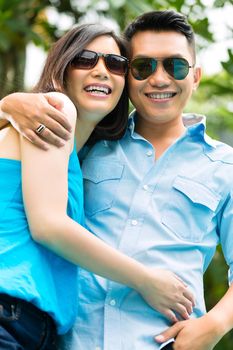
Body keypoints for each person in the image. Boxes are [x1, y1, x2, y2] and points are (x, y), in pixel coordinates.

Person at [1, 9, 233, 350]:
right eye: (143, 67)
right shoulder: (85, 139)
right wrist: (11, 105)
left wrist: (215, 323)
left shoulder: (224, 166)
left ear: (195, 76)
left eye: (176, 66)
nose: (159, 78)